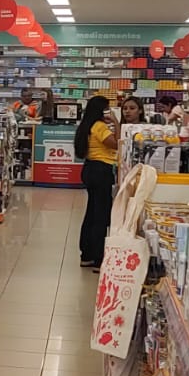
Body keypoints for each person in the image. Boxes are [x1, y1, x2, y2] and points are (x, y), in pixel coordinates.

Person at [75, 95, 118, 268]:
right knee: (101, 214)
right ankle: (99, 257)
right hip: (101, 170)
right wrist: (116, 122)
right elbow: (116, 144)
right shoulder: (99, 126)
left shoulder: (87, 125)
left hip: (90, 168)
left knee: (92, 212)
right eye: (107, 109)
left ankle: (87, 254)